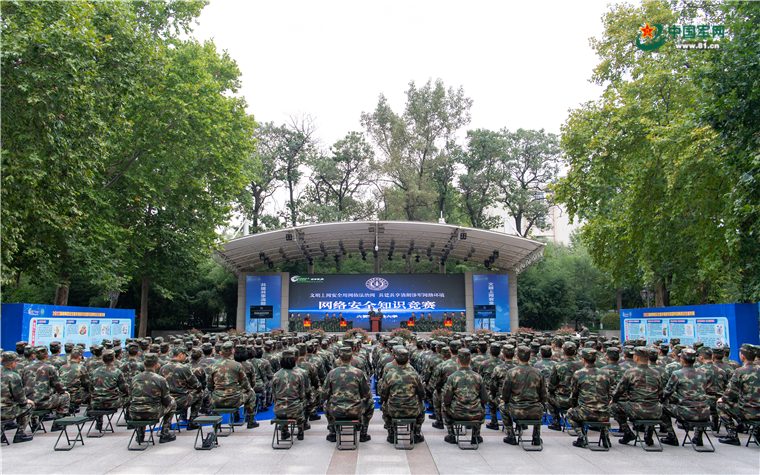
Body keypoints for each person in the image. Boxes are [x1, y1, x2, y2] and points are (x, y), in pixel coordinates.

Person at [611, 346, 665, 446]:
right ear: (648, 358)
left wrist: (613, 400)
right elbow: (661, 394)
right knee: (653, 408)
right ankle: (649, 433)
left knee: (614, 407)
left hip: (636, 410)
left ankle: (627, 432)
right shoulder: (656, 373)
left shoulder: (630, 372)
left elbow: (619, 391)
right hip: (655, 411)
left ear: (636, 357)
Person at [321, 346, 373, 443]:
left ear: (339, 359)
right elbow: (366, 394)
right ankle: (363, 433)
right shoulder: (359, 373)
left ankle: (332, 432)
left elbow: (324, 395)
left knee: (325, 404)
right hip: (356, 410)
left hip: (336, 410)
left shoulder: (332, 373)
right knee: (370, 403)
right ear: (352, 358)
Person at [659, 348, 710, 446]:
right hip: (705, 412)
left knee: (662, 408)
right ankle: (698, 437)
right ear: (695, 360)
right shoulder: (702, 374)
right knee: (699, 404)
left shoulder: (678, 374)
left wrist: (660, 399)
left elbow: (667, 393)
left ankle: (671, 436)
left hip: (687, 412)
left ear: (681, 360)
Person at [501, 346, 547, 446]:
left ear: (516, 357)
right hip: (535, 410)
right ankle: (536, 437)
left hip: (516, 410)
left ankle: (511, 435)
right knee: (540, 406)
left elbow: (505, 395)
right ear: (530, 357)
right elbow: (543, 395)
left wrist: (506, 400)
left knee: (502, 407)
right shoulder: (538, 373)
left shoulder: (511, 373)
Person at [567, 349, 613, 448]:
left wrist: (573, 407)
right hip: (604, 413)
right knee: (604, 412)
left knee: (570, 415)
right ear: (596, 359)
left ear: (583, 360)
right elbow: (608, 395)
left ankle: (581, 436)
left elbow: (574, 395)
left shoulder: (579, 374)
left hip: (586, 412)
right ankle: (605, 438)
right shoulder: (605, 374)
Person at [208, 341, 258, 429]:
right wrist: (250, 389)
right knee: (251, 393)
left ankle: (216, 422)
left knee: (212, 395)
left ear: (220, 353)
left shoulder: (214, 366)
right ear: (232, 352)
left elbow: (210, 387)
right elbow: (245, 384)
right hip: (234, 400)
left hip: (217, 401)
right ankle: (251, 420)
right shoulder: (237, 365)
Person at [379, 347, 425, 444]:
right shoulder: (414, 375)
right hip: (412, 410)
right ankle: (416, 434)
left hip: (393, 410)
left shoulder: (390, 375)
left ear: (394, 360)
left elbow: (383, 396)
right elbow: (422, 395)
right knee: (422, 406)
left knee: (384, 405)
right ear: (408, 361)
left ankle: (391, 434)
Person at [442, 348, 488, 445]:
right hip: (476, 413)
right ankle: (476, 435)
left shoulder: (453, 377)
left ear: (457, 360)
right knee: (482, 407)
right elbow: (485, 399)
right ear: (470, 361)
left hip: (457, 412)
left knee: (444, 406)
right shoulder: (478, 377)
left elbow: (446, 399)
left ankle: (451, 435)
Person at [717, 343, 760, 445]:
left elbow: (731, 394)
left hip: (748, 412)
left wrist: (722, 399)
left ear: (742, 356)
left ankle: (732, 435)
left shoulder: (740, 371)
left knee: (721, 405)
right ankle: (757, 433)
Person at [129, 353, 177, 444]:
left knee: (141, 403)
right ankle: (165, 433)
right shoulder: (160, 379)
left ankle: (140, 434)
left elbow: (130, 395)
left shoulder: (135, 378)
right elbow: (167, 401)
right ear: (157, 365)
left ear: (144, 364)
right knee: (173, 403)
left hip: (134, 413)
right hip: (152, 413)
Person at [23, 346, 70, 432]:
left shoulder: (26, 368)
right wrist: (63, 391)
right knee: (65, 397)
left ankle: (35, 423)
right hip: (44, 402)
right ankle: (57, 423)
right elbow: (59, 386)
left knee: (33, 395)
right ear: (47, 355)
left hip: (29, 403)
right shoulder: (49, 368)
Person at [159, 347, 202, 430]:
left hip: (166, 401)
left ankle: (167, 426)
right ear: (180, 355)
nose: (186, 358)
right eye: (185, 356)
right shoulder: (184, 368)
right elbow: (197, 385)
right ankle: (192, 421)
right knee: (199, 394)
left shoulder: (163, 368)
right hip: (180, 401)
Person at [89, 349, 129, 431]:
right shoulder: (117, 371)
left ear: (102, 359)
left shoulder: (95, 371)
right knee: (130, 397)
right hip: (111, 403)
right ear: (114, 359)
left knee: (98, 396)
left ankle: (99, 422)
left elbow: (90, 389)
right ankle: (129, 419)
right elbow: (124, 389)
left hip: (95, 403)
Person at [547, 342, 583, 431]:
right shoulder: (581, 366)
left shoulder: (558, 366)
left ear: (563, 352)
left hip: (562, 400)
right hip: (578, 401)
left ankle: (556, 422)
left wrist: (551, 392)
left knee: (548, 398)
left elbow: (551, 386)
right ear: (575, 352)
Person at [271, 349, 306, 440]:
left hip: (279, 410)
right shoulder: (298, 375)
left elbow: (274, 395)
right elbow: (302, 395)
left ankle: (284, 431)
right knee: (301, 408)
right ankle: (300, 432)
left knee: (283, 407)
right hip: (295, 409)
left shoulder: (276, 375)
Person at [1, 352, 34, 443]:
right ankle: (20, 433)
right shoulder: (14, 376)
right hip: (5, 411)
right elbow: (21, 400)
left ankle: (1, 435)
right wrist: (27, 401)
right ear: (13, 363)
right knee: (29, 406)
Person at [59, 349, 90, 415]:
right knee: (92, 393)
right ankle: (90, 413)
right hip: (75, 397)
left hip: (64, 396)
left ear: (70, 357)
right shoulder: (81, 368)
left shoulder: (62, 367)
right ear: (80, 358)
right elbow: (87, 384)